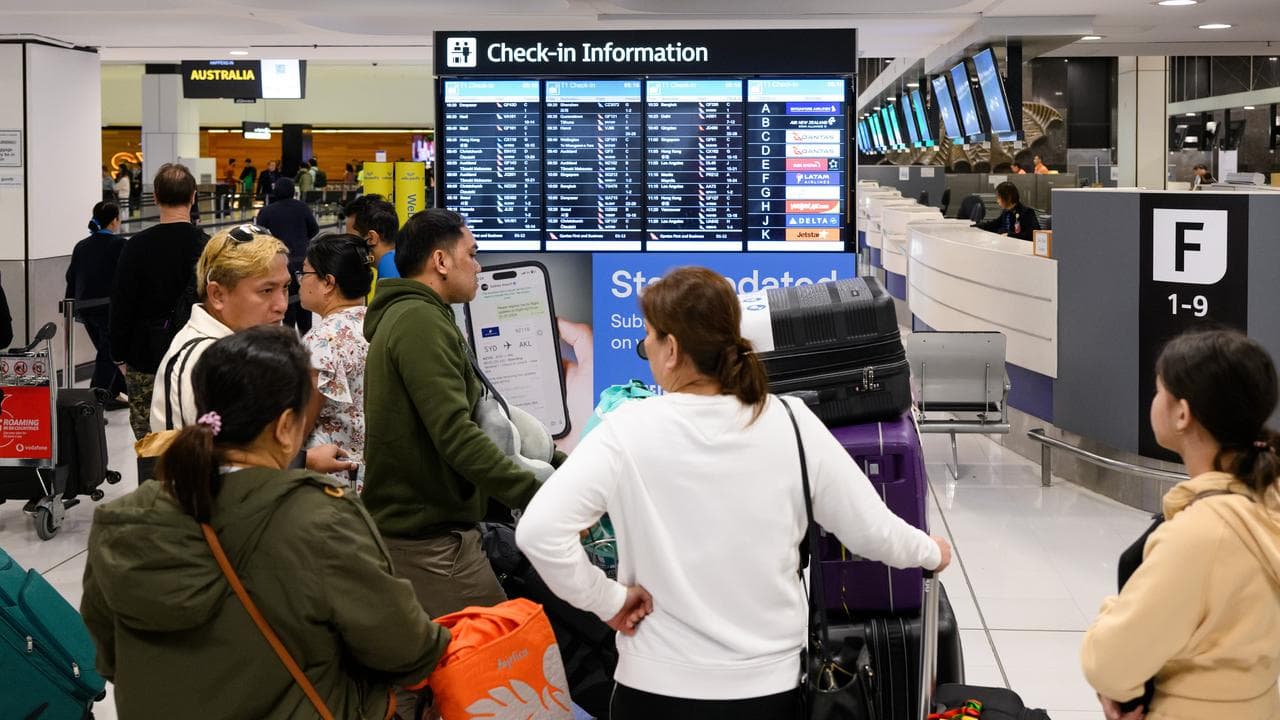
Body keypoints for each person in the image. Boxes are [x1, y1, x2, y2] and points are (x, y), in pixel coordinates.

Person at [515, 266, 951, 718]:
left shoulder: (623, 429)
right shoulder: (792, 421)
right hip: (767, 690)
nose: (645, 349)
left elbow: (540, 532)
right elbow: (870, 531)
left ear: (673, 349)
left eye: (649, 337)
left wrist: (606, 601)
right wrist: (929, 552)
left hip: (653, 688)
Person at [81, 325, 450, 719]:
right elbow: (406, 649)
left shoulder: (120, 521)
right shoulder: (320, 519)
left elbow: (107, 652)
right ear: (285, 426)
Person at [362, 208, 562, 616]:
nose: (478, 265)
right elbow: (455, 433)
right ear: (440, 261)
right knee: (499, 661)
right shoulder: (419, 321)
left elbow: (482, 419)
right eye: (471, 254)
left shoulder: (422, 316)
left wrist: (561, 467)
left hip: (434, 538)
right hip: (432, 547)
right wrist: (538, 493)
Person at [1082, 328, 1280, 720]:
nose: (1153, 401)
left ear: (1182, 413)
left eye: (1159, 391)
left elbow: (1109, 662)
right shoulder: (1267, 500)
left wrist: (1113, 611)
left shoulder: (1202, 535)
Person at [150, 224, 289, 432]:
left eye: (285, 287)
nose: (282, 305)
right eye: (266, 290)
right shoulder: (203, 364)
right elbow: (220, 460)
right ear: (217, 295)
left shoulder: (243, 342)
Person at [110, 162, 208, 440]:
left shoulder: (136, 246)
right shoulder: (208, 246)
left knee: (149, 439)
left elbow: (121, 305)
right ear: (193, 196)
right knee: (194, 438)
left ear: (155, 197)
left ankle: (151, 483)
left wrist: (118, 353)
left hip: (146, 356)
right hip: (196, 358)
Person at [298, 233, 373, 489]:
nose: (300, 282)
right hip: (373, 477)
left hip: (330, 481)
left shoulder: (322, 341)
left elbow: (300, 426)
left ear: (328, 282)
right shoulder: (378, 326)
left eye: (305, 273)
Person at [66, 202, 128, 408]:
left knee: (107, 350)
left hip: (84, 308)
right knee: (108, 353)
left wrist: (73, 304)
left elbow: (71, 277)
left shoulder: (81, 246)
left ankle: (114, 393)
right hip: (109, 307)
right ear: (114, 221)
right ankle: (91, 403)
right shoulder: (119, 245)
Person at [255, 177, 320, 334]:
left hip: (280, 262)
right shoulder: (302, 208)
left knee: (286, 300)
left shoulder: (268, 210)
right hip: (303, 262)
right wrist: (303, 241)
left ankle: (289, 336)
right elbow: (315, 229)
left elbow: (259, 234)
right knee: (304, 302)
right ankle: (307, 337)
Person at [344, 194, 400, 296]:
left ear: (372, 238)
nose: (347, 244)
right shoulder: (397, 261)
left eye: (351, 238)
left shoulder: (389, 273)